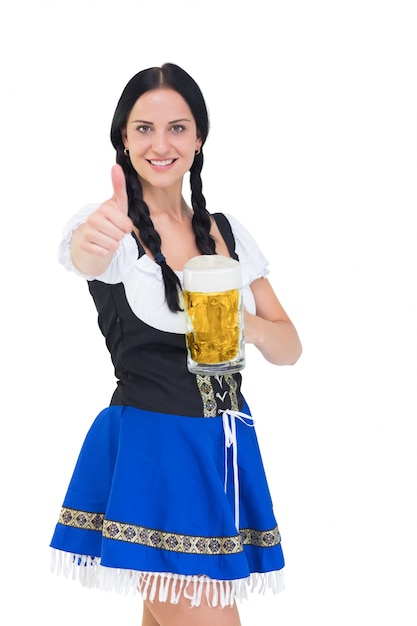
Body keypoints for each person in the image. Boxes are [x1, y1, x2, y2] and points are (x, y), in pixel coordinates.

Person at [50, 63, 302, 626]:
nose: (160, 144)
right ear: (123, 138)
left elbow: (289, 347)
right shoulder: (110, 229)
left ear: (199, 139)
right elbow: (86, 257)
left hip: (222, 447)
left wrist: (243, 327)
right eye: (143, 128)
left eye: (177, 128)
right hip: (152, 449)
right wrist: (95, 240)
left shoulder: (226, 231)